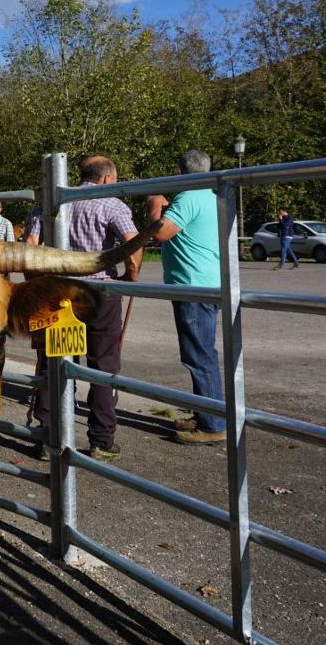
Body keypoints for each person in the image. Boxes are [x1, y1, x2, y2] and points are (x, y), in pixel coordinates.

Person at [30, 156, 140, 462]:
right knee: (103, 364)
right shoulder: (110, 203)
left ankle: (48, 435)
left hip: (61, 292)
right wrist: (131, 278)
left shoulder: (50, 202)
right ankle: (101, 440)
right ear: (106, 179)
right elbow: (132, 242)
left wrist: (40, 285)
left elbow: (30, 243)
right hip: (100, 292)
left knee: (56, 360)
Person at [145, 149, 225, 446]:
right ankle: (206, 413)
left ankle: (214, 422)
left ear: (179, 173)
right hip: (205, 283)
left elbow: (160, 233)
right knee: (202, 352)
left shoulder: (188, 197)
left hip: (192, 286)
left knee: (198, 355)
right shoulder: (209, 196)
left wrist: (154, 205)